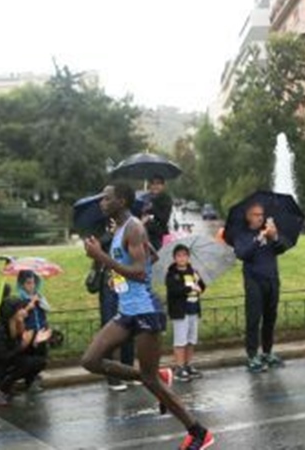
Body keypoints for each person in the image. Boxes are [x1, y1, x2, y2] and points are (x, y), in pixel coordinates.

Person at [82, 183, 214, 450]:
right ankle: (158, 375)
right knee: (91, 360)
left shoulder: (132, 227)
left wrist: (101, 257)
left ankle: (199, 433)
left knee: (149, 379)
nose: (102, 202)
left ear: (121, 201)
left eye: (107, 199)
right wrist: (118, 274)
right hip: (127, 310)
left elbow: (142, 272)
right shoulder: (122, 228)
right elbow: (151, 255)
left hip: (145, 311)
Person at [233, 202, 287, 372]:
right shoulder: (242, 234)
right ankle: (252, 355)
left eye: (261, 214)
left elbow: (282, 248)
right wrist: (258, 239)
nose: (260, 217)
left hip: (271, 279)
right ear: (248, 216)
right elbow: (242, 254)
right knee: (254, 319)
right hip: (254, 281)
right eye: (256, 214)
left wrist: (275, 237)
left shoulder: (270, 232)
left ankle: (267, 352)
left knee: (270, 318)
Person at [0, 297, 50, 407]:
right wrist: (22, 345)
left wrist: (36, 343)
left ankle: (15, 386)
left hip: (2, 367)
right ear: (12, 312)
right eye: (21, 309)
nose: (24, 311)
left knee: (39, 361)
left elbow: (19, 353)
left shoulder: (16, 326)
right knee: (26, 363)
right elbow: (4, 356)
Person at [94, 227, 136, 392]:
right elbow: (101, 244)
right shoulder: (104, 234)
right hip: (110, 282)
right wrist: (114, 233)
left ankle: (128, 370)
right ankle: (113, 376)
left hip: (124, 282)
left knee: (128, 329)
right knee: (112, 331)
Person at [165, 243, 206, 381]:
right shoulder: (172, 274)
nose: (182, 258)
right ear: (175, 258)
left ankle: (188, 364)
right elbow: (174, 290)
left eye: (184, 255)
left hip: (193, 310)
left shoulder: (193, 272)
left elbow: (202, 287)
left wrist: (198, 283)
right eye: (179, 256)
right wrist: (190, 288)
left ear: (188, 257)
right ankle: (179, 367)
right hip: (180, 312)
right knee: (180, 341)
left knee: (191, 340)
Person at [142, 175, 173, 251]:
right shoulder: (145, 198)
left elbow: (164, 218)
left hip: (159, 236)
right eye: (153, 183)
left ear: (163, 185)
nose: (155, 186)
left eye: (158, 183)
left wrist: (153, 207)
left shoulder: (166, 199)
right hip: (144, 235)